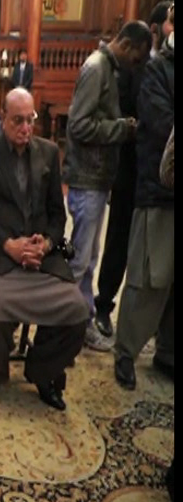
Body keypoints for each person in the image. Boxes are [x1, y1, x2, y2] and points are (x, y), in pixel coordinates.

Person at [0, 88, 89, 409]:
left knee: (77, 312)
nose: (25, 127)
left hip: (41, 260)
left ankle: (41, 371)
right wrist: (8, 245)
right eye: (17, 120)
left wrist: (45, 243)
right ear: (3, 119)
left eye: (30, 120)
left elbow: (57, 214)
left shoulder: (48, 153)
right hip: (1, 258)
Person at [63, 20, 152, 351]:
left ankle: (81, 322)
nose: (135, 66)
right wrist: (122, 129)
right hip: (87, 177)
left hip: (98, 178)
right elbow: (79, 125)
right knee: (79, 261)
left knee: (89, 259)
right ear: (126, 45)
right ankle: (63, 329)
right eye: (136, 58)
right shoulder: (96, 68)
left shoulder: (107, 68)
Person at [94, 1, 174, 338]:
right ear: (156, 29)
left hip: (162, 176)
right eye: (171, 22)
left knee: (157, 256)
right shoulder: (133, 68)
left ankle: (156, 324)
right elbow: (122, 112)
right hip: (130, 170)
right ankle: (103, 306)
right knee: (118, 242)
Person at [113, 24, 174, 390]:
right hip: (161, 192)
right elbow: (161, 125)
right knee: (149, 277)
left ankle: (168, 352)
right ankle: (126, 352)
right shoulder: (157, 70)